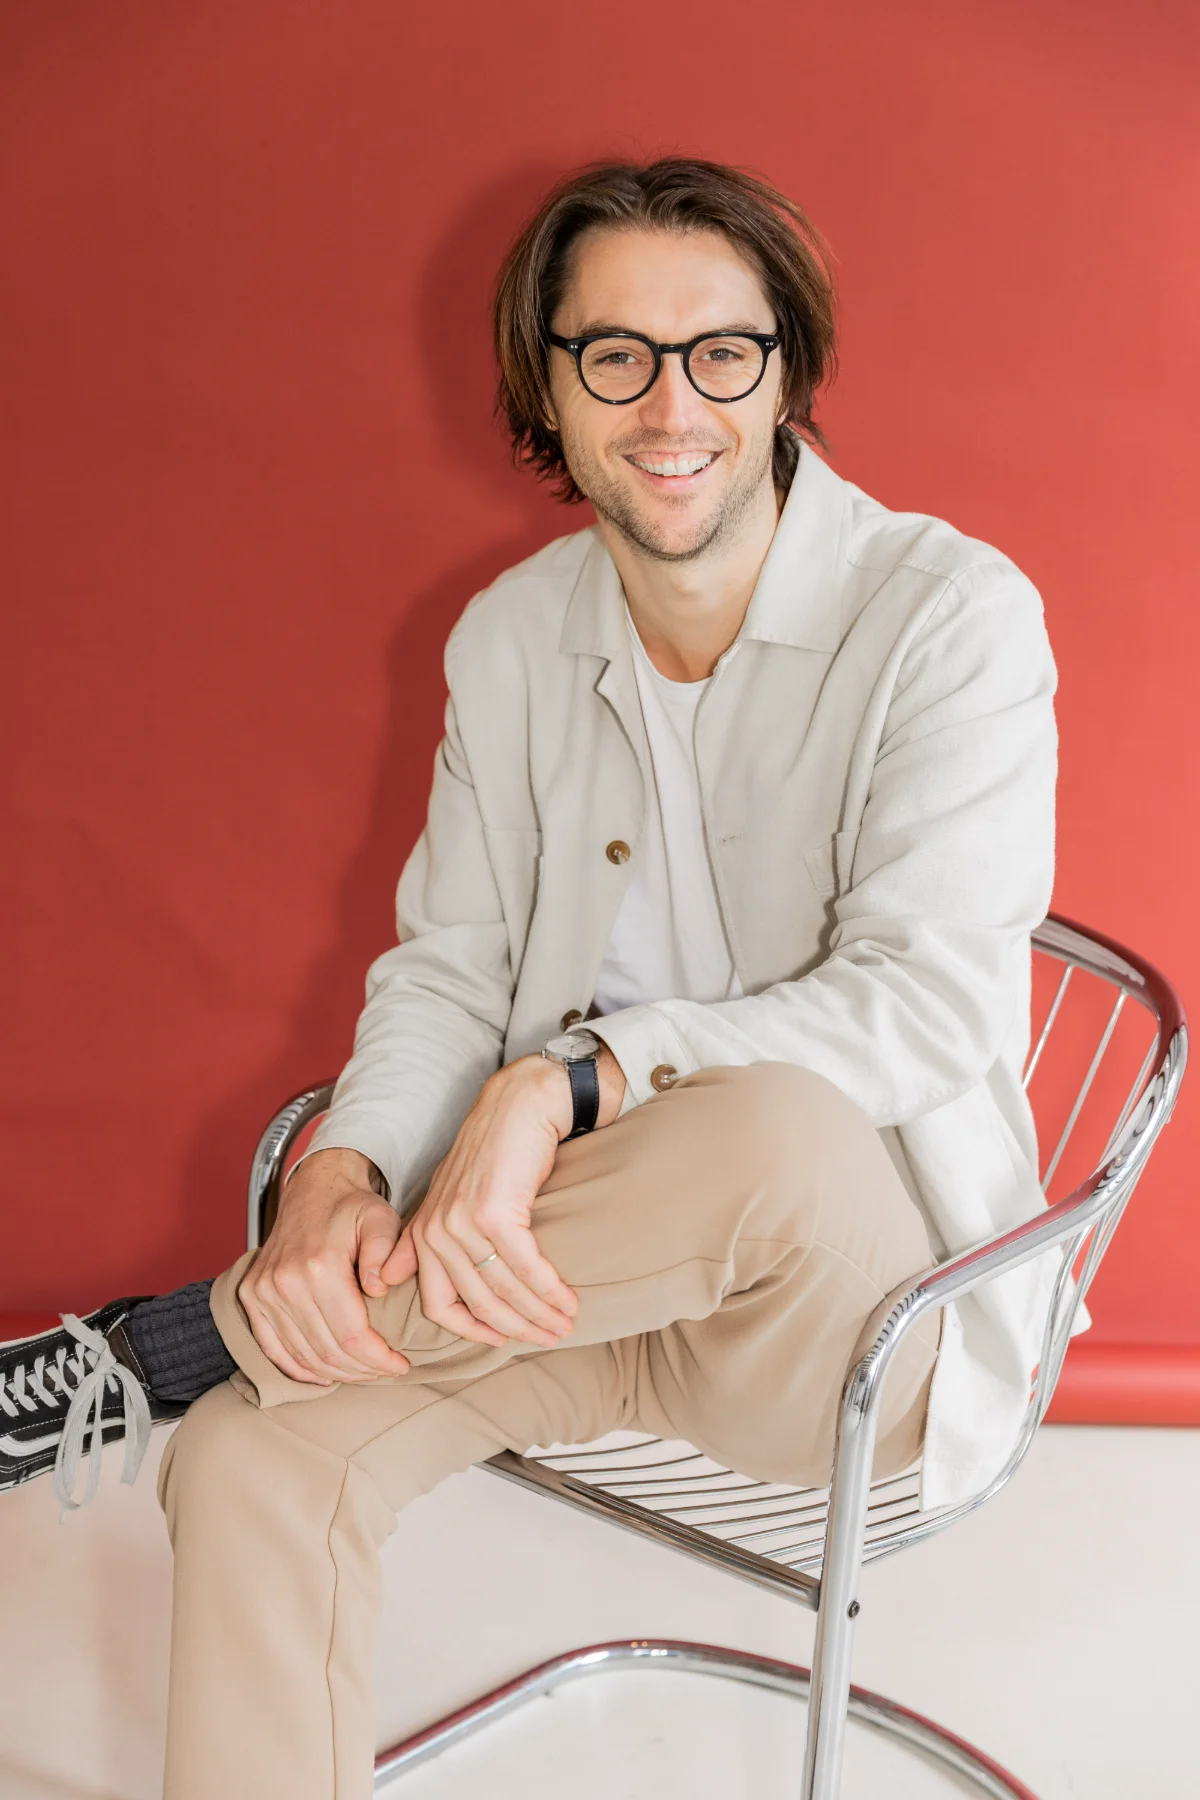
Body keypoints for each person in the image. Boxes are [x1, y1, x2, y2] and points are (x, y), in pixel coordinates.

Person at [0, 157, 1058, 1799]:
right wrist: (339, 1178)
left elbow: (932, 1003)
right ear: (544, 389)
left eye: (722, 352)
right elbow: (450, 964)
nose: (672, 406)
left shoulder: (948, 616)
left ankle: (184, 1341)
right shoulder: (509, 636)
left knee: (767, 1123)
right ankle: (228, 1358)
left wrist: (574, 1079)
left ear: (786, 371)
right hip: (533, 1282)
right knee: (253, 1460)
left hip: (833, 1329)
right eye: (614, 355)